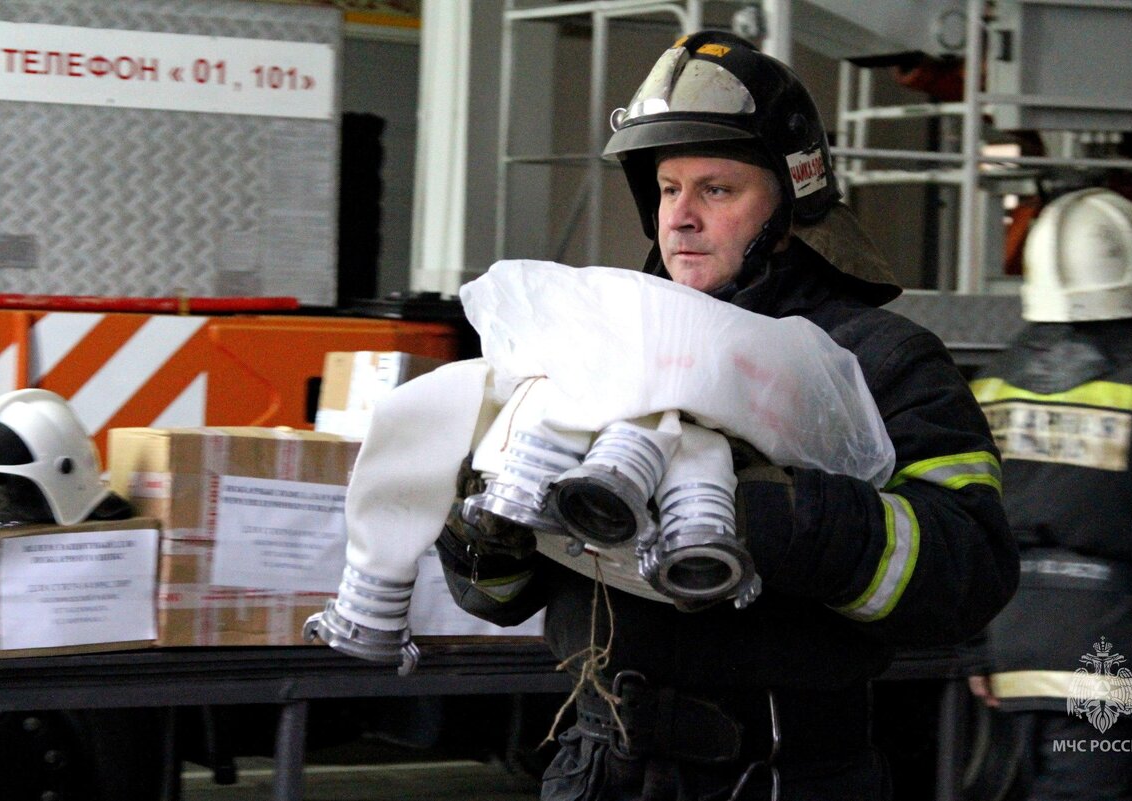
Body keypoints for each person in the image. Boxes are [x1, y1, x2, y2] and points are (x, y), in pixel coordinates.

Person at [436, 30, 1018, 800]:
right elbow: (497, 600)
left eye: (716, 190)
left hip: (785, 773)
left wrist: (791, 517)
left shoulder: (881, 361)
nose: (680, 218)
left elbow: (968, 569)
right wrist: (487, 539)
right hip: (597, 768)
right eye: (668, 189)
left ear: (789, 202)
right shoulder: (597, 353)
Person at [966, 187, 1132, 801]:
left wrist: (977, 648)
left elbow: (960, 531)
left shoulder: (987, 390)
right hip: (1124, 662)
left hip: (1007, 656)